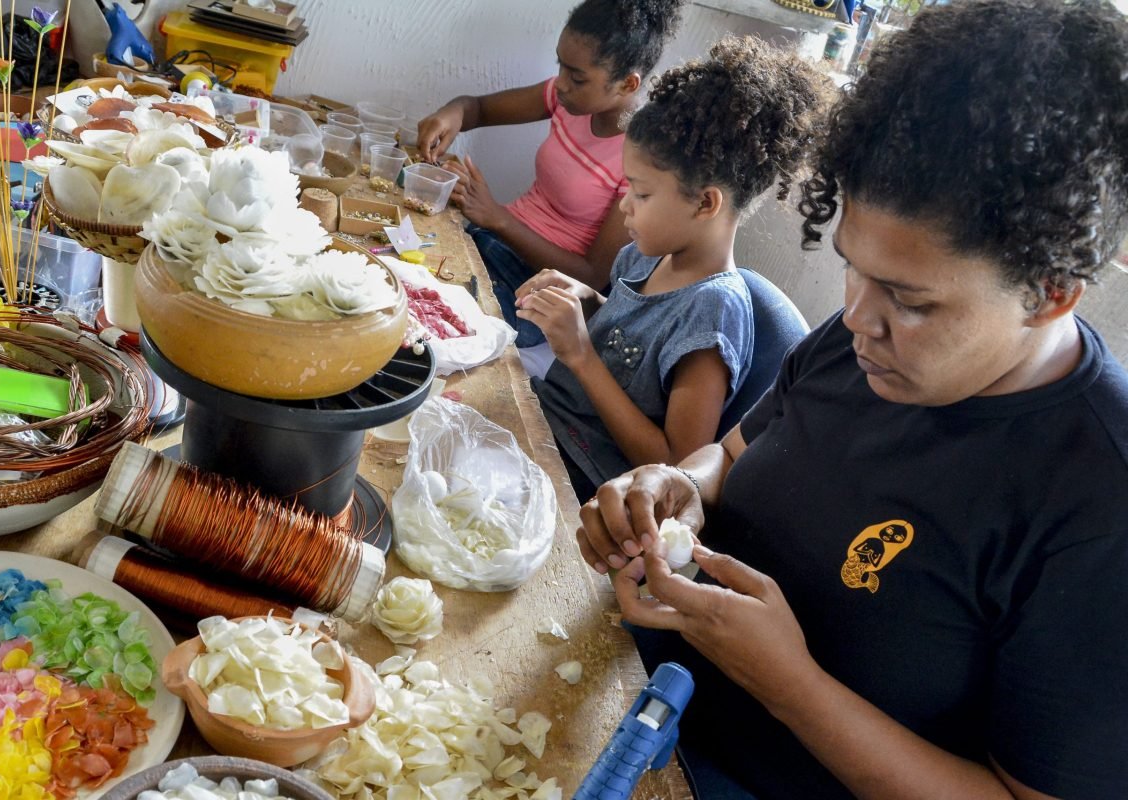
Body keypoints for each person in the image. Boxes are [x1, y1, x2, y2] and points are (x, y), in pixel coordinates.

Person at [574, 1, 1128, 798]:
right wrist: (678, 486)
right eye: (852, 267)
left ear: (1050, 295)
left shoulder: (1097, 504)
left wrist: (792, 687)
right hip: (639, 700)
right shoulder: (857, 337)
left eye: (911, 301)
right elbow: (731, 457)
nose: (859, 317)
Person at [514, 37, 829, 503]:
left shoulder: (713, 313)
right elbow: (635, 339)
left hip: (583, 482)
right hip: (542, 423)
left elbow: (674, 466)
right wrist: (586, 299)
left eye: (641, 194)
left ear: (705, 203)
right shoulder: (646, 254)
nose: (625, 205)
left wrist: (581, 354)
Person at [417, 0, 685, 347]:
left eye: (577, 77)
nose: (561, 84)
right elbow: (477, 108)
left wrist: (497, 217)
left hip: (535, 289)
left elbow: (592, 276)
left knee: (437, 325)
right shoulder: (567, 99)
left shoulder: (641, 159)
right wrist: (450, 114)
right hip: (489, 241)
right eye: (561, 66)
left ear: (627, 84)